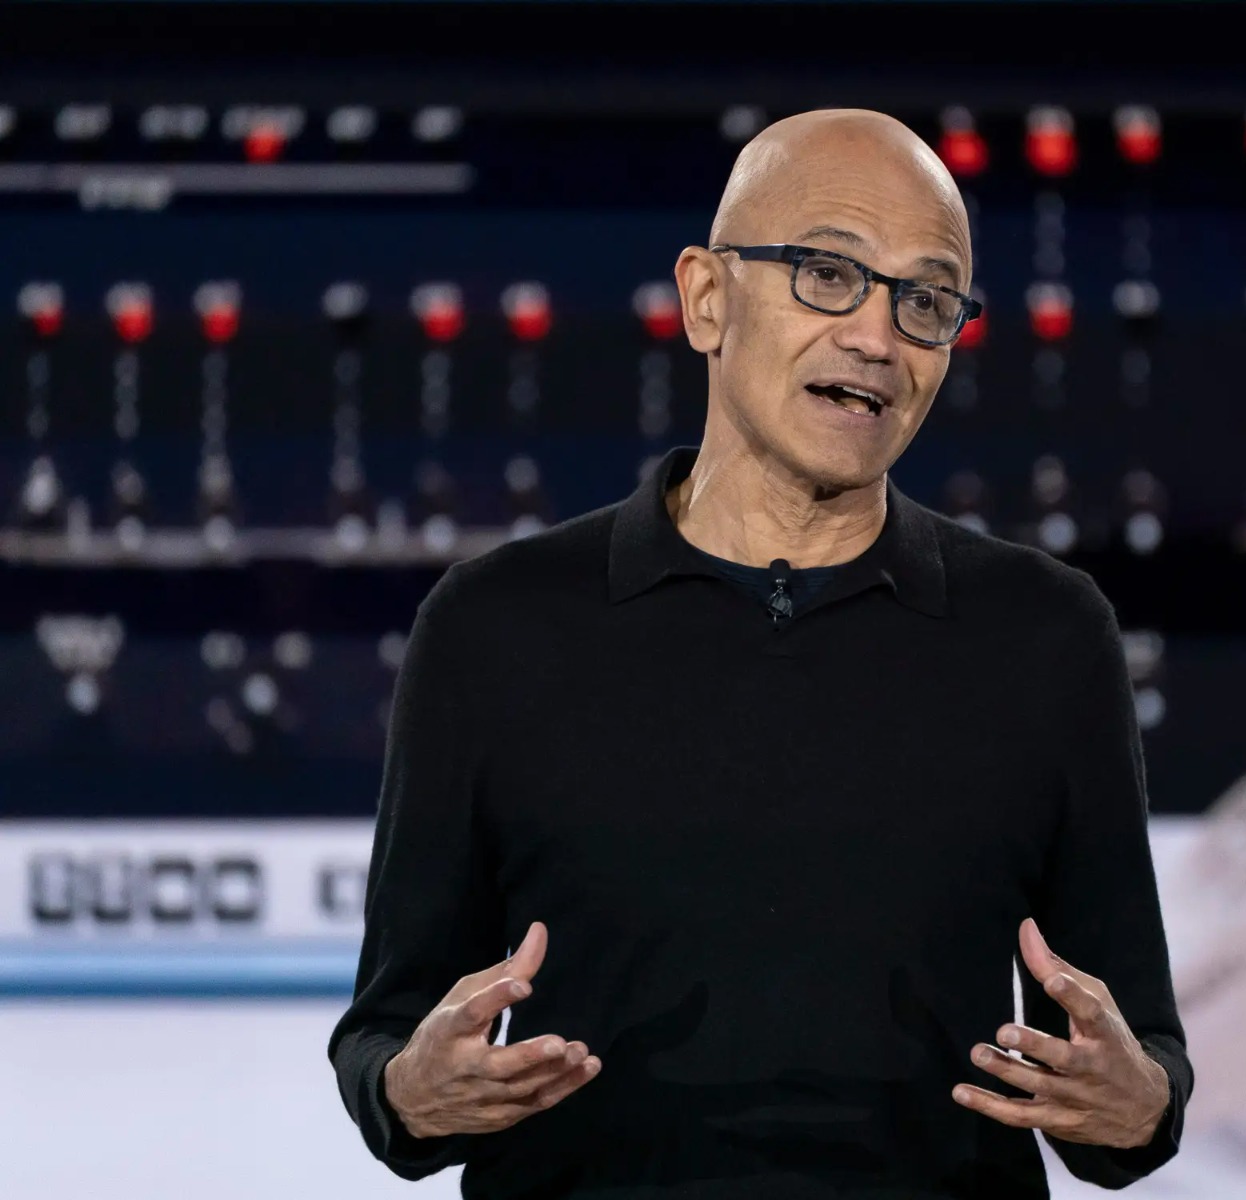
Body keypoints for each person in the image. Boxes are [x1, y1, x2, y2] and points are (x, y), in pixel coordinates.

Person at [329, 107, 1192, 1198]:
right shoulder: (494, 625)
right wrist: (409, 1092)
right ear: (706, 297)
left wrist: (1137, 1103)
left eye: (924, 300)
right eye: (827, 273)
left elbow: (1135, 1075)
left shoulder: (1047, 633)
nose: (876, 337)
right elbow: (386, 1039)